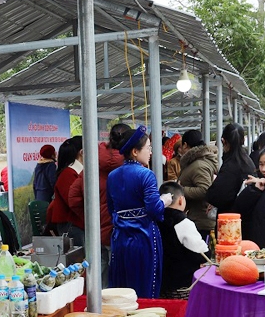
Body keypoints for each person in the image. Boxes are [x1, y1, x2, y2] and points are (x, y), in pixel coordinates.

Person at [107, 126, 173, 298]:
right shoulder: (146, 175)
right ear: (135, 151)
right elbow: (155, 210)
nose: (151, 152)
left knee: (121, 290)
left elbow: (111, 209)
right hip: (143, 238)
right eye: (148, 148)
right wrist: (164, 201)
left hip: (120, 237)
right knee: (144, 290)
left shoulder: (112, 175)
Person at [67, 125, 126, 286]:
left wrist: (90, 217)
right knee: (119, 276)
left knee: (97, 273)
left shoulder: (92, 165)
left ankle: (95, 306)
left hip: (95, 229)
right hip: (120, 230)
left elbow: (73, 197)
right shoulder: (130, 167)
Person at [157, 181, 209, 300]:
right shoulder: (182, 222)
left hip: (159, 283)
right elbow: (202, 253)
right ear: (181, 200)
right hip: (182, 285)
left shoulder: (154, 219)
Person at [206, 123, 255, 217]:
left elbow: (217, 196)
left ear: (223, 141)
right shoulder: (248, 161)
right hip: (247, 216)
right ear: (243, 140)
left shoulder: (230, 165)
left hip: (229, 219)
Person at [177, 129, 218, 237]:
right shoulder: (197, 162)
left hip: (202, 222)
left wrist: (181, 189)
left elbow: (205, 190)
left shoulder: (199, 165)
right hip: (199, 219)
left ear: (185, 145)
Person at [45, 136, 84, 245]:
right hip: (71, 225)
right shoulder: (68, 174)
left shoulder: (75, 172)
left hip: (76, 224)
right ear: (82, 152)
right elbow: (73, 202)